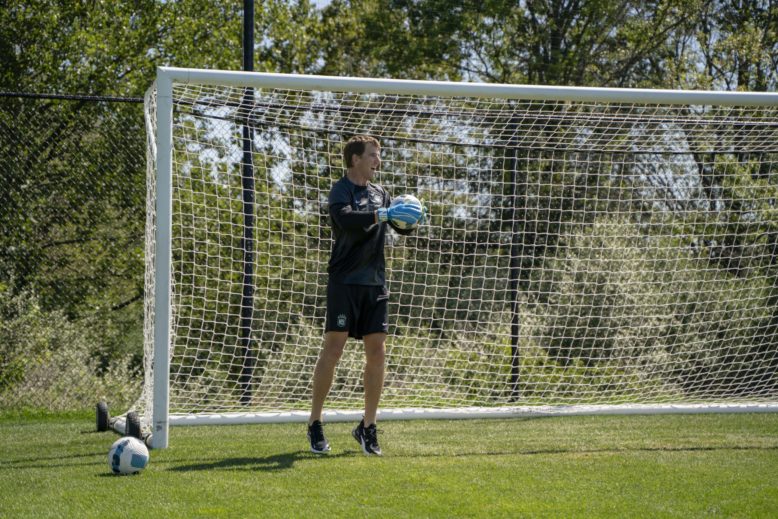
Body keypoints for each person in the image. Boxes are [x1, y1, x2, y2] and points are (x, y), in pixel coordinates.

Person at [307, 135, 424, 456]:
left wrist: (410, 218)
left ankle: (367, 426)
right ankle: (315, 423)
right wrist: (382, 215)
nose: (378, 160)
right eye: (372, 155)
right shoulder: (340, 189)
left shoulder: (380, 193)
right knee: (333, 348)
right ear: (355, 159)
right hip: (344, 281)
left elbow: (397, 226)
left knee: (378, 352)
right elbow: (346, 220)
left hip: (375, 283)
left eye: (379, 155)